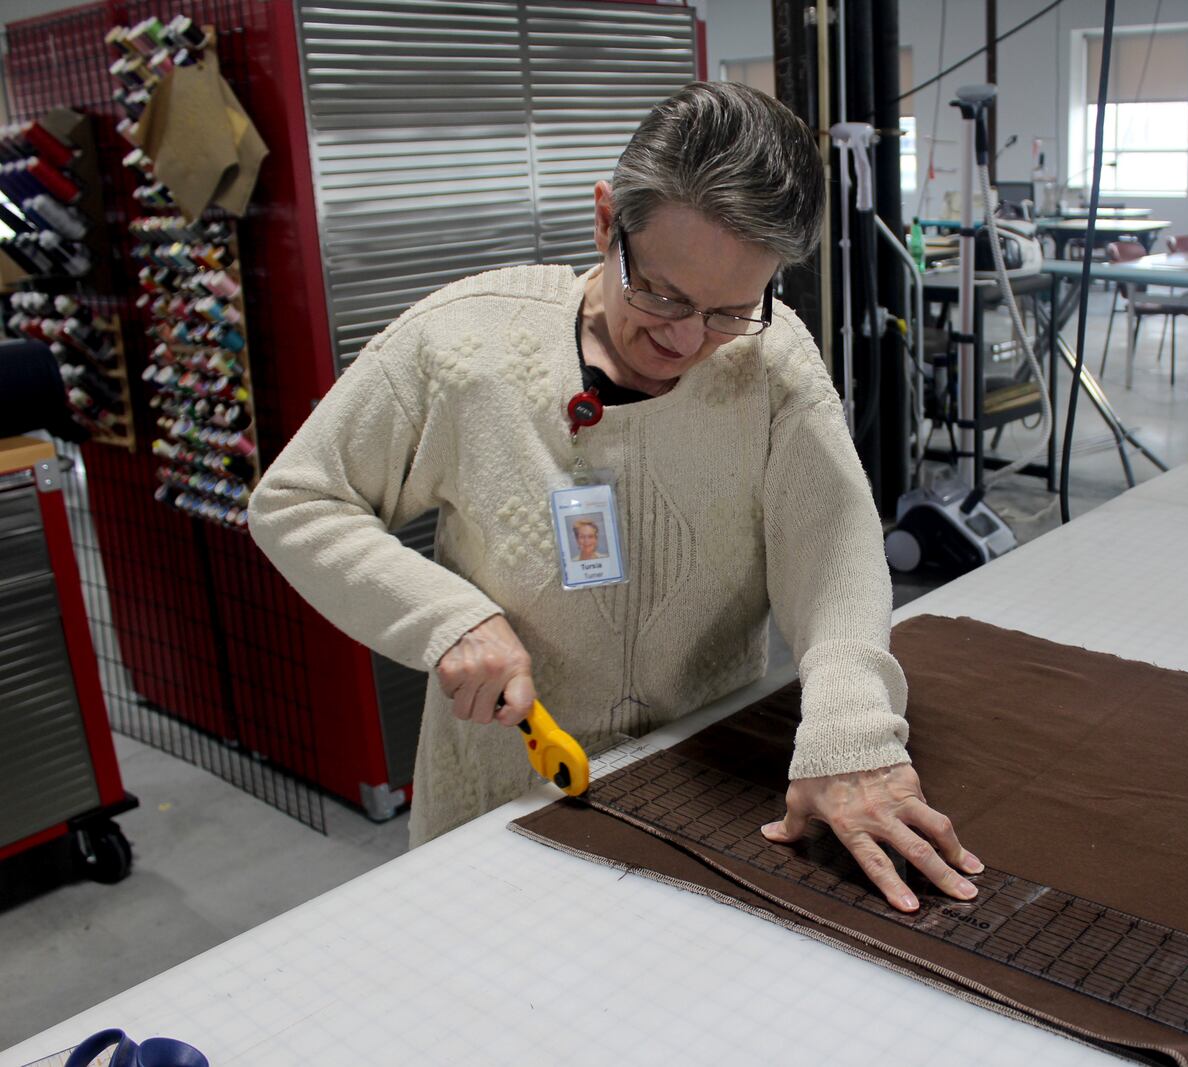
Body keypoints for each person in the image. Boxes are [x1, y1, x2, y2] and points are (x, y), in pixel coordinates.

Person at [249, 82, 980, 913]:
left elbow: (837, 551)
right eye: (661, 294)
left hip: (699, 789)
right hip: (503, 798)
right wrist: (445, 617)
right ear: (606, 221)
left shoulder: (773, 363)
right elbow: (298, 499)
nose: (683, 339)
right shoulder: (467, 345)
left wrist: (852, 728)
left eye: (729, 311)